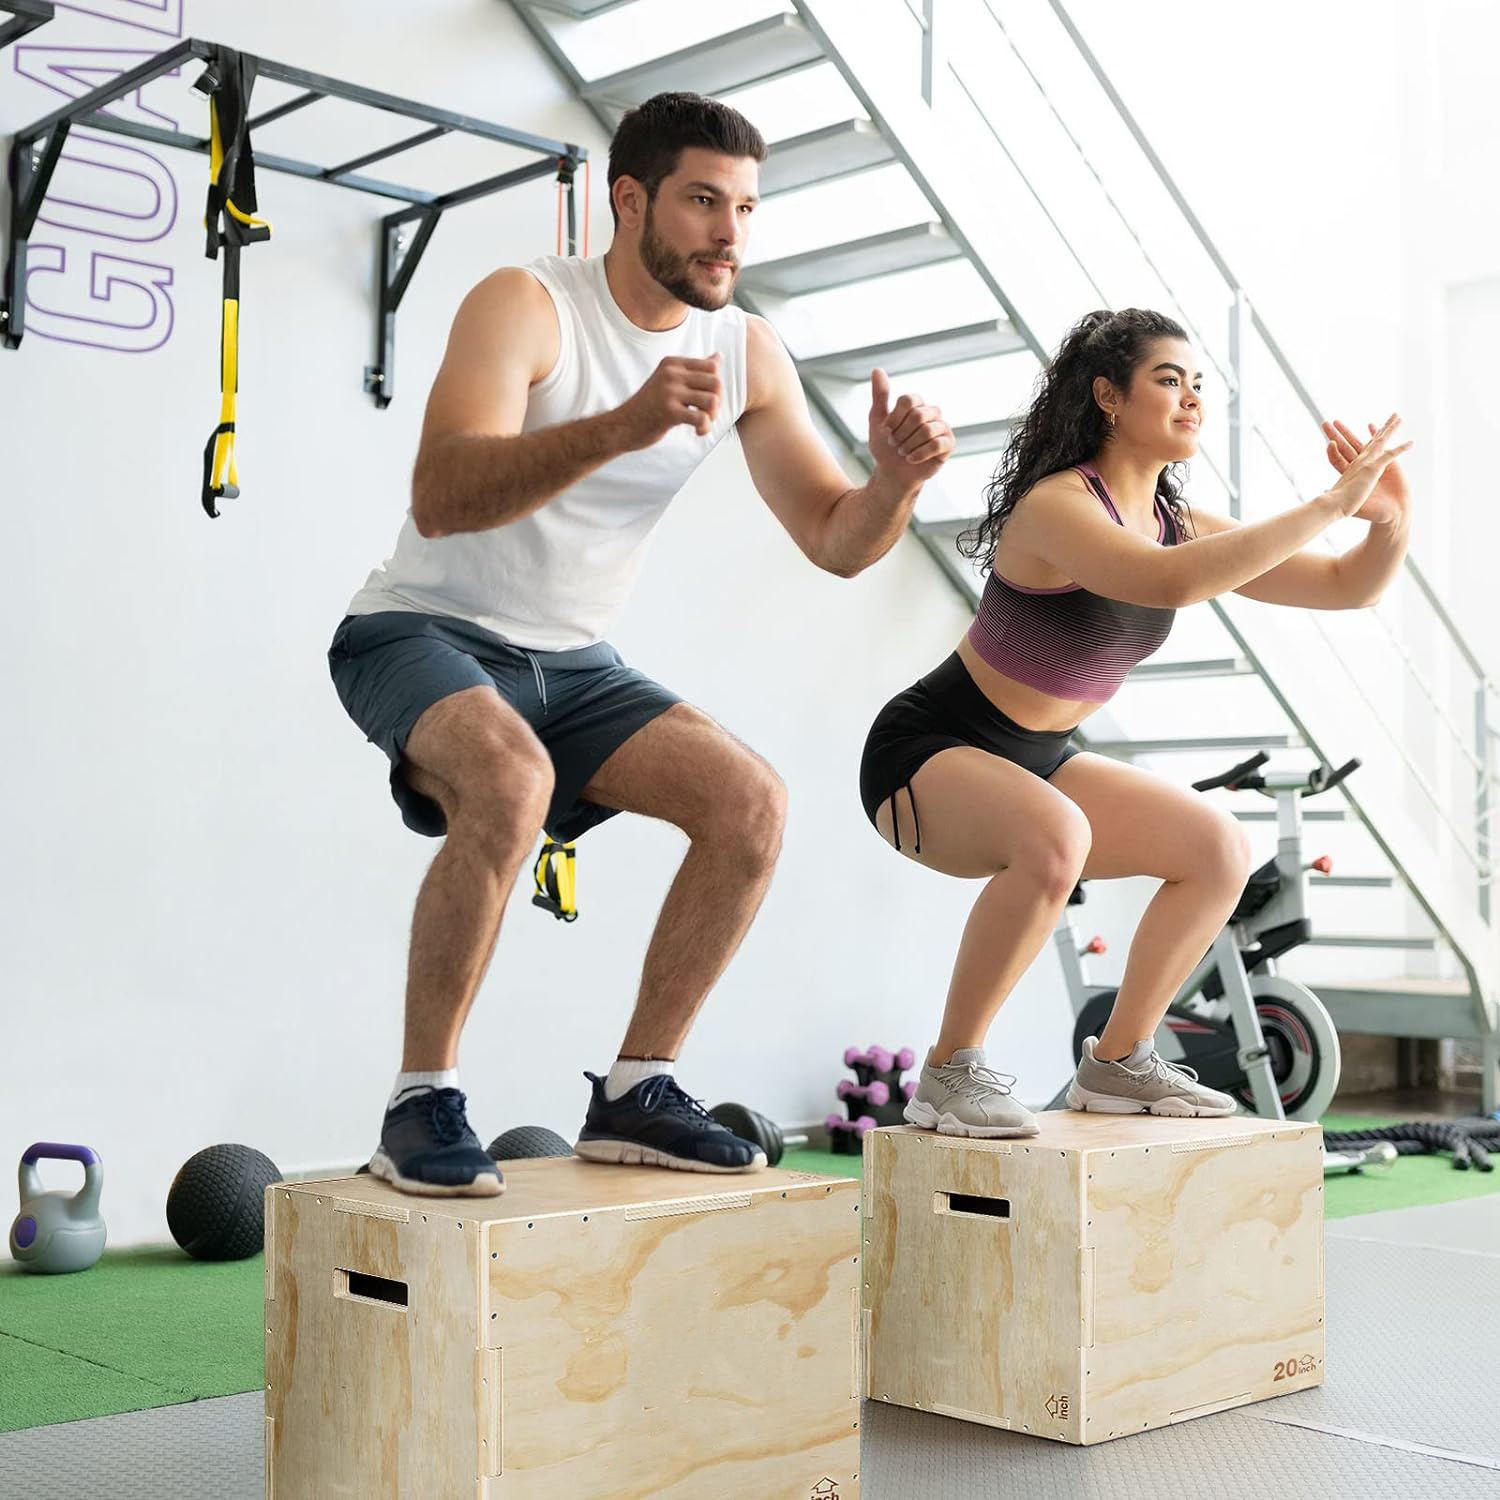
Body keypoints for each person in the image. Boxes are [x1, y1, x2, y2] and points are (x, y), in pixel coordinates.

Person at [329, 92, 954, 1195]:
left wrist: (894, 486)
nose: (730, 233)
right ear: (632, 200)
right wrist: (622, 424)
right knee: (511, 780)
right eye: (705, 201)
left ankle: (637, 1089)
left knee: (750, 804)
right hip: (416, 631)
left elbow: (835, 539)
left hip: (572, 663)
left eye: (748, 208)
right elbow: (440, 494)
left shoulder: (747, 349)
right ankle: (419, 1100)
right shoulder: (526, 305)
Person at [858, 307, 1411, 1136]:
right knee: (1058, 838)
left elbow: (1345, 587)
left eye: (1199, 384)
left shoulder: (1174, 521)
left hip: (1038, 756)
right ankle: (948, 1072)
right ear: (1108, 398)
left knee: (1217, 848)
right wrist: (1333, 500)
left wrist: (1389, 520)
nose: (1191, 398)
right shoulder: (1056, 507)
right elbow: (1167, 584)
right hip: (927, 749)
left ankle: (1118, 1064)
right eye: (1168, 379)